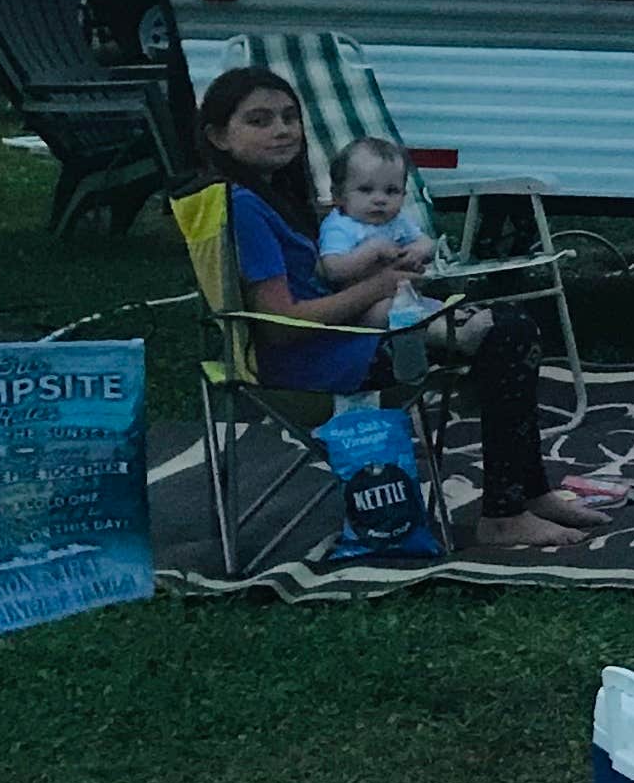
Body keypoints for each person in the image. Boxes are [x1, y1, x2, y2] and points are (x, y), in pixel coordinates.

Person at [195, 66, 593, 552]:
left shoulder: (269, 197)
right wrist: (378, 287)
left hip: (342, 343)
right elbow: (281, 328)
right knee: (507, 332)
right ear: (218, 136)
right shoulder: (246, 208)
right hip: (312, 367)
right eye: (258, 120)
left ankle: (528, 493)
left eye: (288, 117)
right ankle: (506, 514)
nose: (281, 130)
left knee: (507, 326)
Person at [319, 135, 488, 342]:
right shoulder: (340, 226)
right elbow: (333, 269)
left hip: (406, 295)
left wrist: (416, 251)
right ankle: (455, 338)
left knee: (432, 306)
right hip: (362, 310)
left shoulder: (397, 221)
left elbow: (427, 243)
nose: (380, 199)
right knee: (391, 312)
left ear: (403, 194)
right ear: (338, 195)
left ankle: (459, 326)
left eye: (391, 191)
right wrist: (372, 251)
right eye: (366, 190)